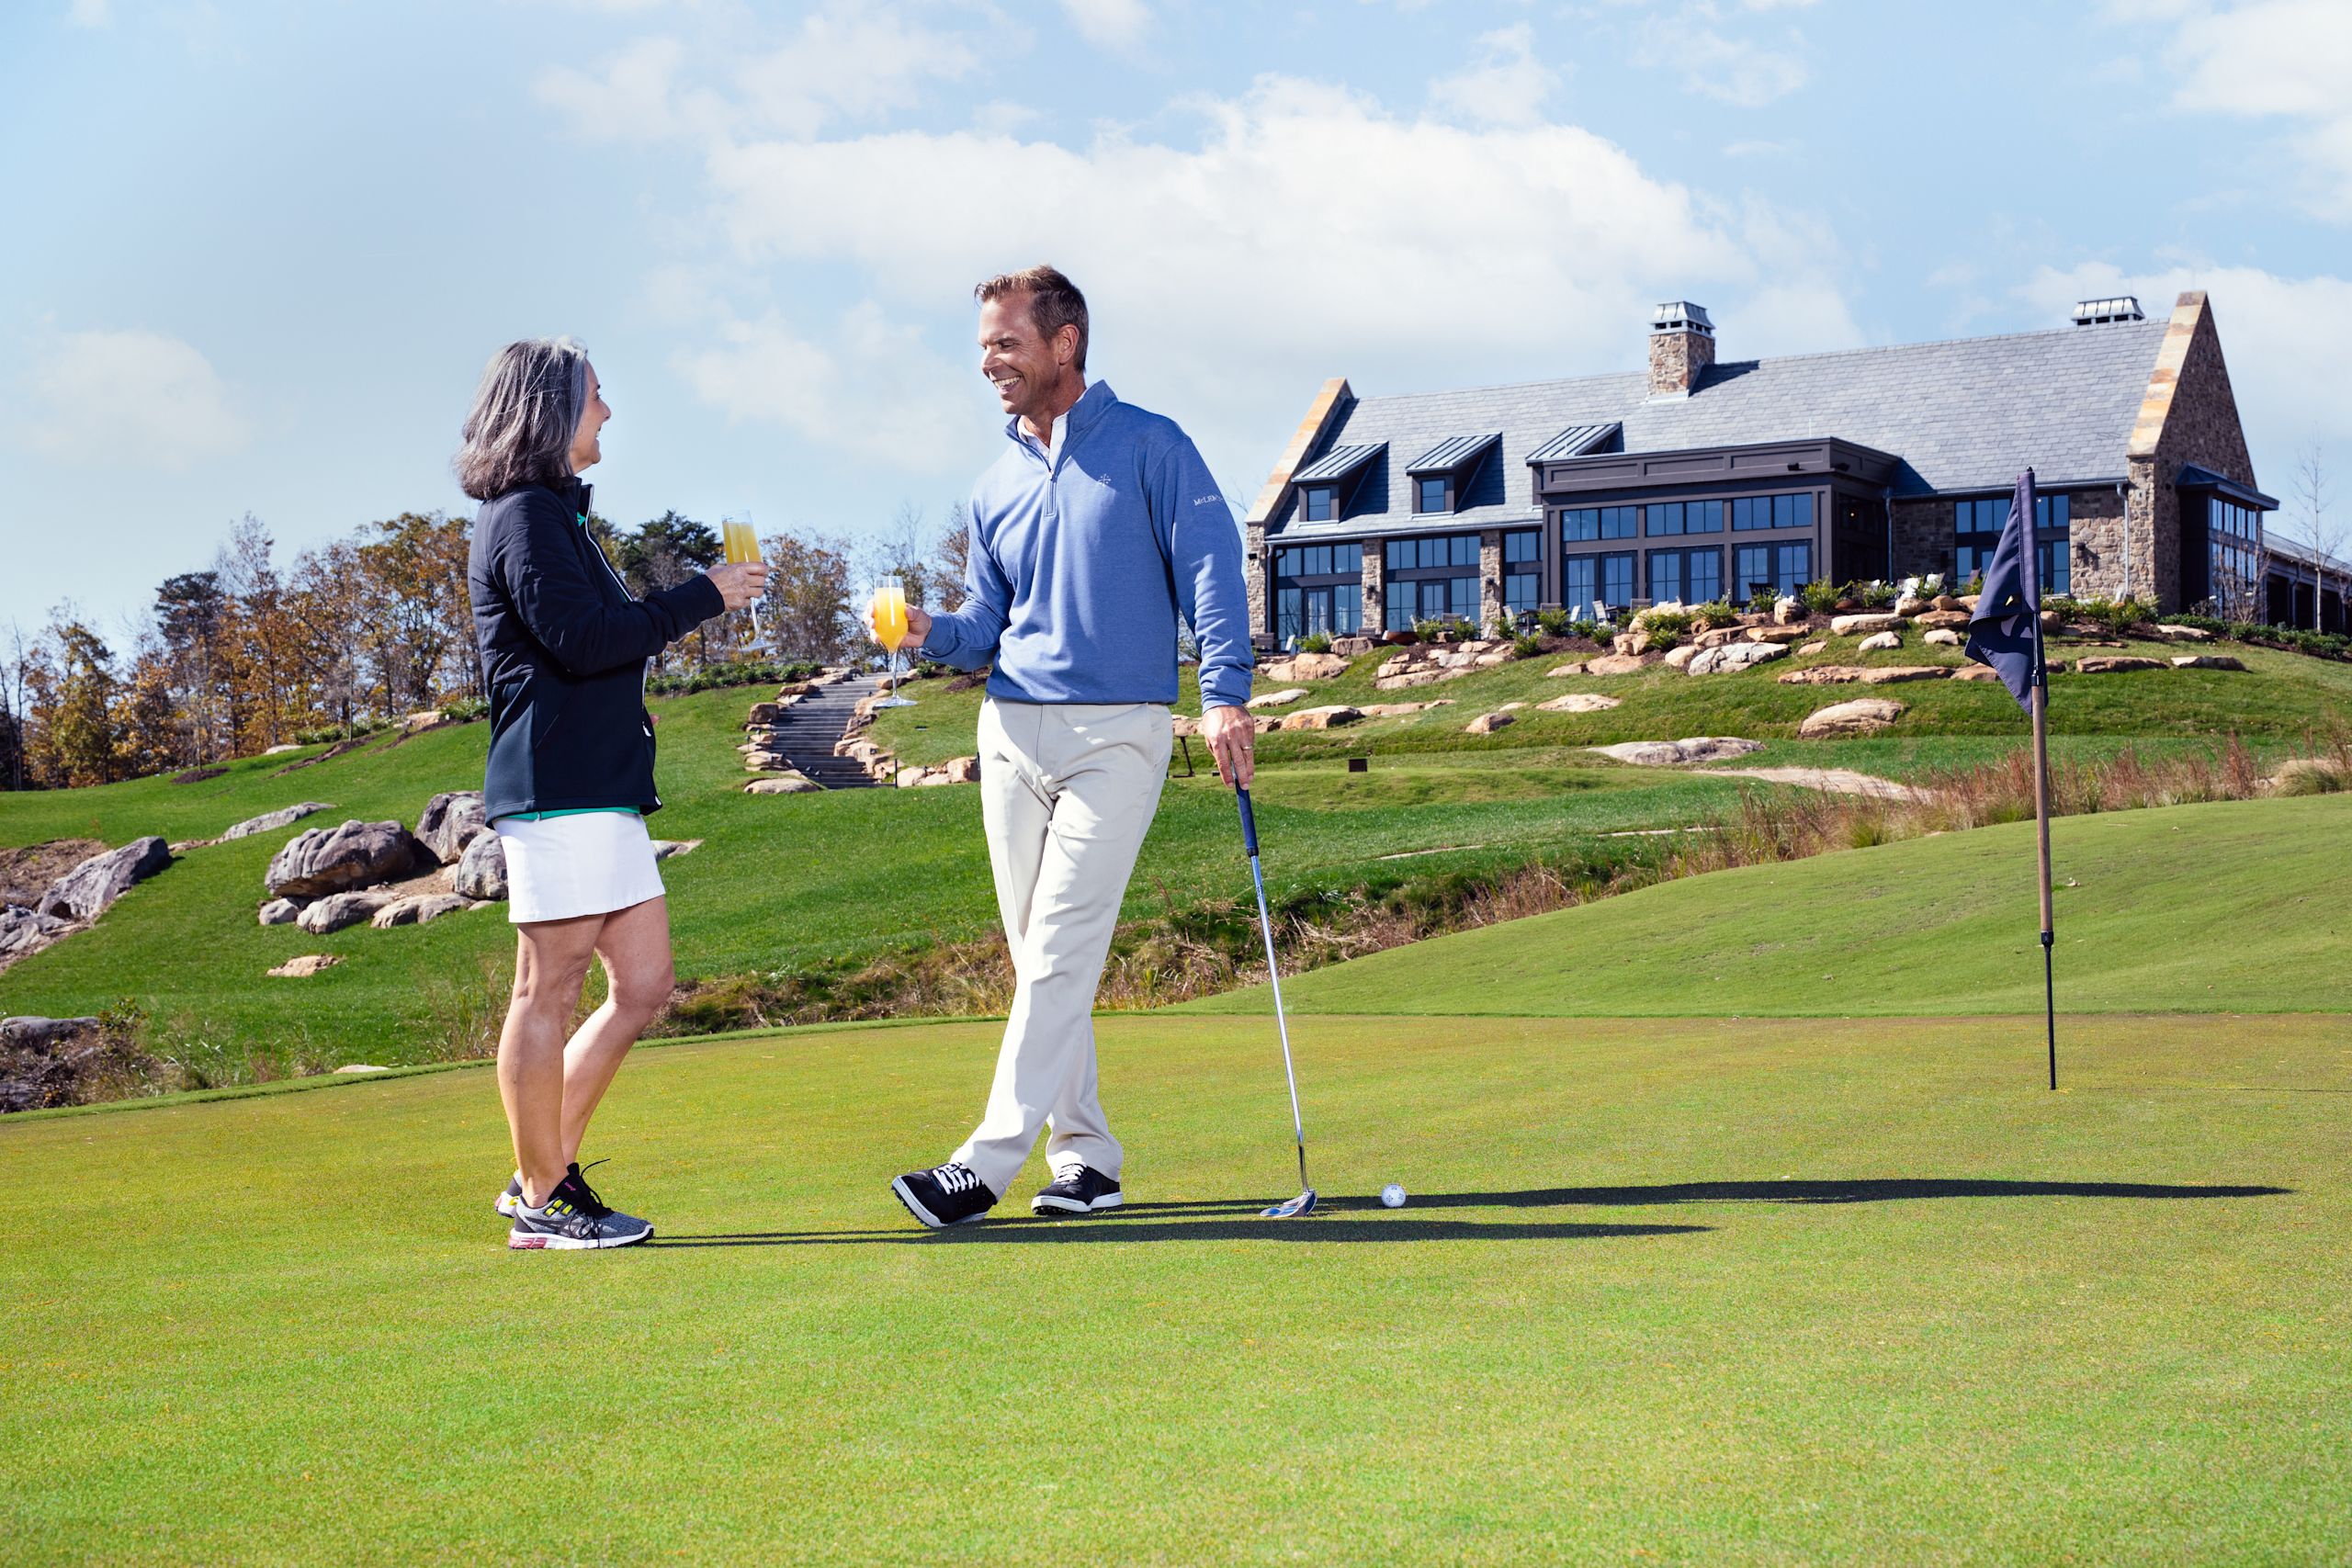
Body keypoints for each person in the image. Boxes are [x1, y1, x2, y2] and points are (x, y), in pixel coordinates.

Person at [882, 265, 1255, 1229]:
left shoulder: (1151, 446)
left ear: (1065, 341)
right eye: (982, 349)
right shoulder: (991, 484)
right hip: (1009, 731)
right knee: (1040, 957)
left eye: (1005, 344)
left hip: (1118, 732)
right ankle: (1086, 1159)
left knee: (1057, 949)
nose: (989, 365)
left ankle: (982, 1163)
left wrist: (1224, 696)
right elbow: (987, 624)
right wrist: (929, 632)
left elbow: (1212, 572)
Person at [458, 336, 766, 1250]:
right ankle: (548, 1194)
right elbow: (585, 641)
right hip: (557, 790)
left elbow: (588, 648)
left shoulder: (555, 518)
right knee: (545, 990)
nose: (607, 412)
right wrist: (703, 593)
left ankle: (537, 1180)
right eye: (596, 397)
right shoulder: (522, 517)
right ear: (550, 410)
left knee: (644, 984)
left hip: (599, 789)